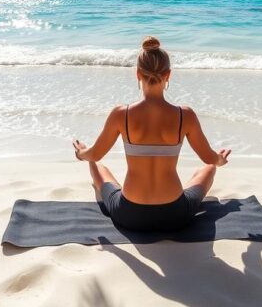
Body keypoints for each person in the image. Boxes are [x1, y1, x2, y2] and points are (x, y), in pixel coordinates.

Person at [72, 36, 231, 231]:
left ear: (137, 74)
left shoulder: (121, 114)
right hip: (175, 215)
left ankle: (91, 167)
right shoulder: (185, 115)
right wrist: (219, 160)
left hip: (130, 214)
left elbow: (95, 153)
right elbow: (209, 158)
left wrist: (81, 153)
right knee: (209, 168)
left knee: (97, 165)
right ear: (168, 75)